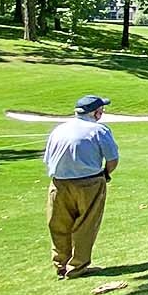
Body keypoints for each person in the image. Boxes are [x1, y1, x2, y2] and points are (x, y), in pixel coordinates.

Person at [43, 94, 120, 279]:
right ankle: (77, 267)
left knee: (59, 224)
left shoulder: (59, 129)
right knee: (86, 225)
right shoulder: (99, 130)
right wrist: (106, 174)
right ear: (96, 112)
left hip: (58, 183)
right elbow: (112, 159)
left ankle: (61, 265)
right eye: (101, 109)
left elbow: (47, 159)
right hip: (89, 183)